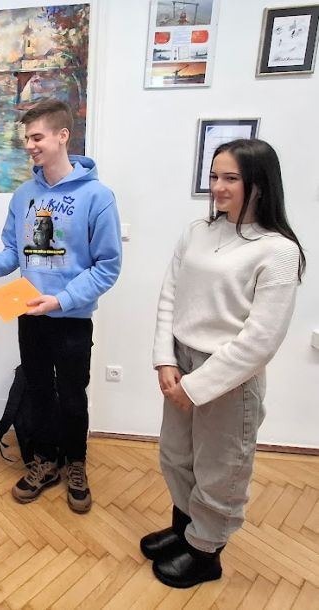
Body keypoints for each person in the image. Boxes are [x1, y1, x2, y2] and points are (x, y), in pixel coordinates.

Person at [143, 139, 306, 588]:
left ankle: (205, 551)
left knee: (221, 468)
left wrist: (196, 387)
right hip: (180, 360)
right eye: (214, 176)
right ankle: (184, 528)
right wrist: (164, 359)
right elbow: (170, 296)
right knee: (176, 455)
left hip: (230, 375)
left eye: (230, 178)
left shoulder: (278, 251)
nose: (217, 186)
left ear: (259, 183)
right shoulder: (198, 231)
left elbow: (261, 340)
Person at [0, 99, 122, 513]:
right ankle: (46, 461)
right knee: (37, 391)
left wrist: (62, 299)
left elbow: (108, 266)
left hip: (72, 318)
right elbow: (13, 252)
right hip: (29, 315)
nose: (30, 146)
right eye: (27, 139)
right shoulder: (24, 195)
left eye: (37, 137)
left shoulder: (97, 196)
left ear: (62, 136)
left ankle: (76, 464)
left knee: (72, 395)